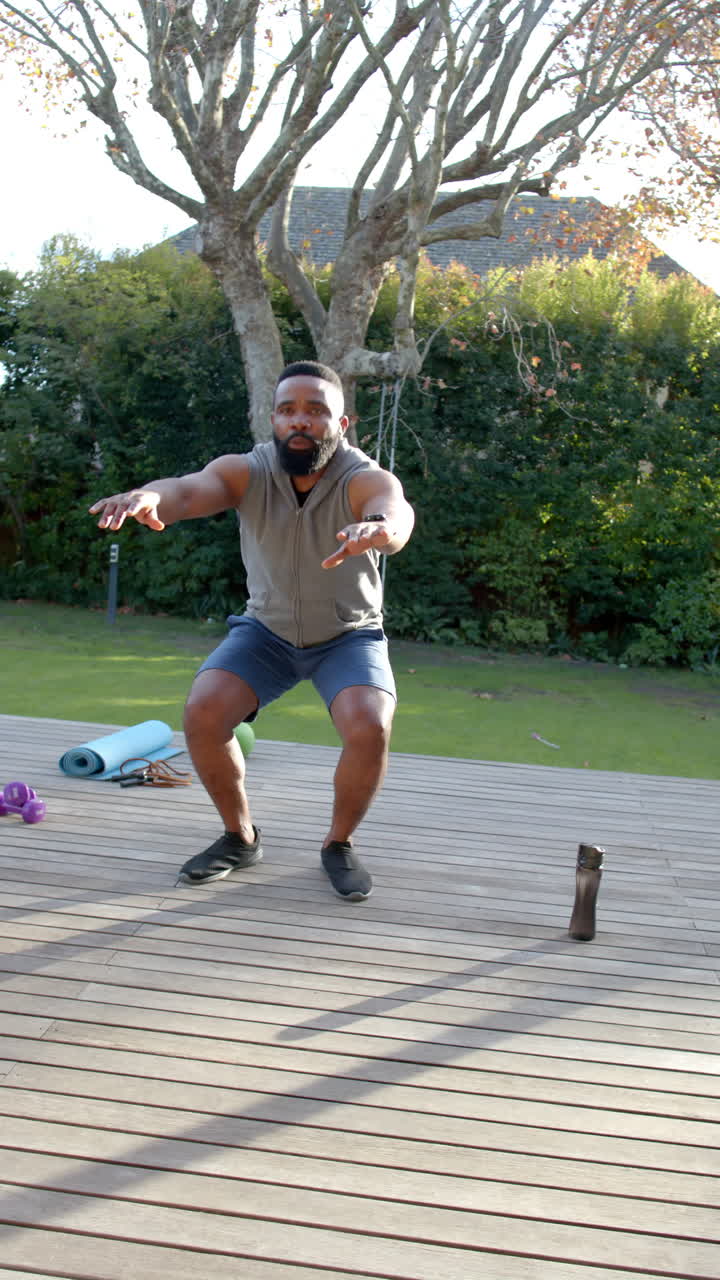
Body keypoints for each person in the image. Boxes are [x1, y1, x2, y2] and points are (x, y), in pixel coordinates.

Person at [89, 360, 415, 901]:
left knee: (370, 724)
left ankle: (338, 844)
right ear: (274, 419)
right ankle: (239, 837)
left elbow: (395, 514)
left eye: (315, 410)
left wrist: (379, 529)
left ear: (342, 423)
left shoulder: (363, 477)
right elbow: (189, 491)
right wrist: (152, 496)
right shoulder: (248, 471)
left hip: (348, 635)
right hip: (266, 633)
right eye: (288, 410)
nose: (300, 420)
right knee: (204, 711)